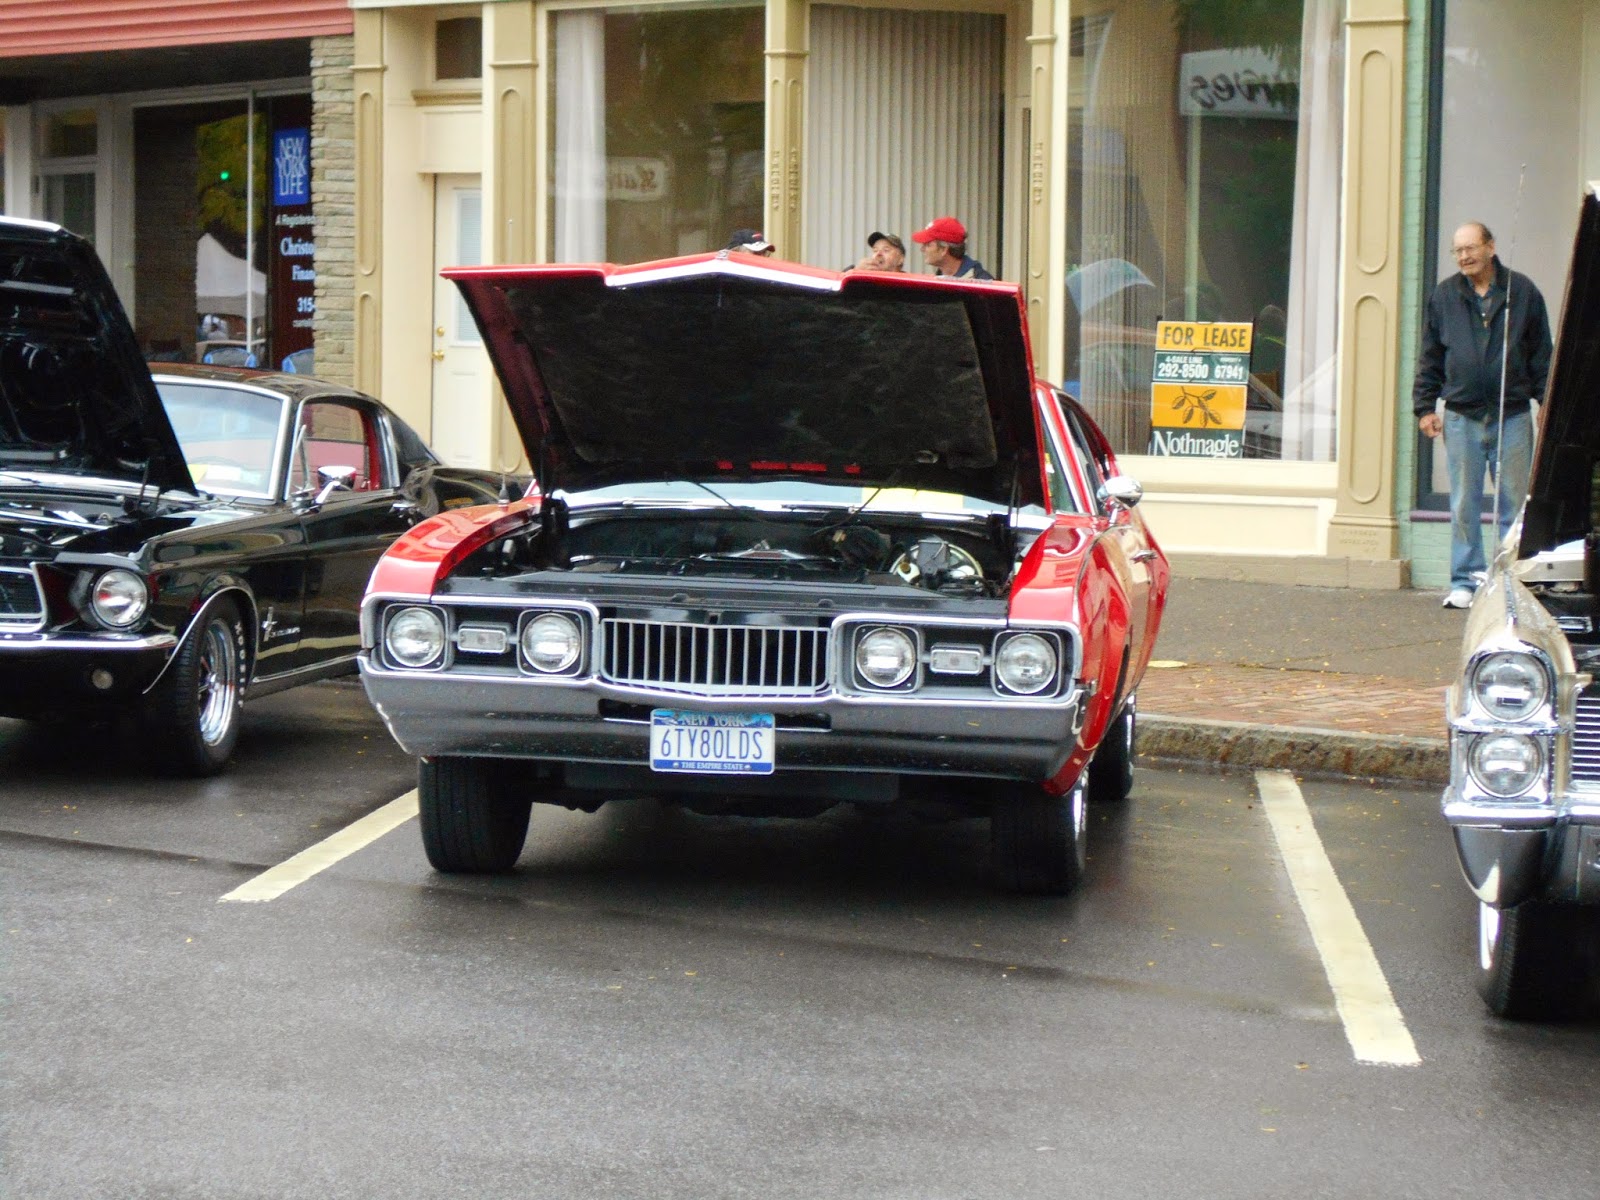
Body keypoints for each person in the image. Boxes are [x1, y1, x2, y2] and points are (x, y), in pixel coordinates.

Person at [1413, 221, 1552, 608]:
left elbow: (1542, 353)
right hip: (1461, 417)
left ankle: (1513, 582)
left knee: (1513, 505)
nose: (1463, 256)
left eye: (1470, 248)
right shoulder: (1444, 296)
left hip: (1512, 416)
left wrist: (1547, 402)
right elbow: (1431, 356)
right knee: (1463, 504)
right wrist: (1424, 407)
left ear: (1490, 247)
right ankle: (1466, 582)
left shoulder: (1521, 292)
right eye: (1457, 251)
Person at [910, 216, 993, 280]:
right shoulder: (938, 280)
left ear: (944, 249)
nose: (922, 249)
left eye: (928, 244)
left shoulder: (982, 283)